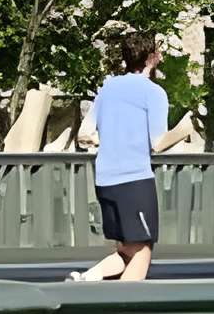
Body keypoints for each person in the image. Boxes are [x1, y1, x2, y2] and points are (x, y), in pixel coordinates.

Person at [71, 29, 183, 282]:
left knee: (127, 249)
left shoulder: (109, 87)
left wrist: (110, 139)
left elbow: (84, 133)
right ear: (151, 57)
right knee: (143, 250)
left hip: (105, 180)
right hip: (134, 180)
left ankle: (86, 280)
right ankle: (125, 312)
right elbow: (158, 143)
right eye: (159, 51)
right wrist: (186, 129)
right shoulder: (154, 92)